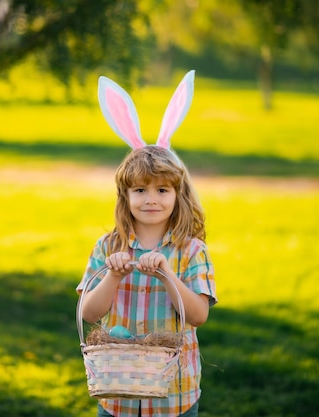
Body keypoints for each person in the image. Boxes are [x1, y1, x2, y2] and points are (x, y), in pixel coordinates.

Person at [77, 70, 218, 417]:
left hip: (175, 397)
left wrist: (168, 275)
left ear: (177, 194)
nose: (150, 199)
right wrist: (112, 276)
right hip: (117, 395)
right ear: (125, 196)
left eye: (162, 190)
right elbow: (88, 314)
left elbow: (198, 316)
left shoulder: (191, 250)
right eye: (139, 190)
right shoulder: (108, 246)